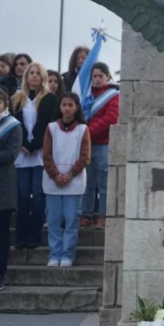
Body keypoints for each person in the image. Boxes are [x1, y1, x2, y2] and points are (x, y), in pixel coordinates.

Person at [11, 63, 58, 250]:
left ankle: (35, 236)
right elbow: (16, 123)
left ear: (43, 77)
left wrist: (36, 144)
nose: (34, 76)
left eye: (38, 73)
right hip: (22, 153)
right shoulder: (16, 98)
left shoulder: (49, 99)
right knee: (23, 195)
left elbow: (47, 123)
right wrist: (23, 144)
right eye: (31, 73)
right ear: (26, 76)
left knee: (38, 195)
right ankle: (21, 236)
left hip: (40, 152)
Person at [42, 93, 91, 267]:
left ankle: (67, 254)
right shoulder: (51, 128)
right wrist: (56, 174)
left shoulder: (83, 129)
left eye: (71, 105)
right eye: (64, 104)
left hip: (74, 181)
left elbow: (85, 157)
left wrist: (70, 174)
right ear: (60, 107)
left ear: (76, 108)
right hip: (52, 181)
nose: (67, 108)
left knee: (71, 220)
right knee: (54, 220)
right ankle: (54, 254)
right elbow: (46, 155)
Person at [0, 87, 23, 291]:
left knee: (1, 235)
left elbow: (10, 155)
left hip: (2, 189)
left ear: (5, 105)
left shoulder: (13, 127)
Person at [81, 63, 119, 229]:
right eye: (94, 76)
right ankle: (86, 214)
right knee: (87, 182)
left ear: (107, 76)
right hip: (87, 144)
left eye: (100, 76)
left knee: (103, 182)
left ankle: (102, 215)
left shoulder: (113, 95)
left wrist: (88, 131)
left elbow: (111, 117)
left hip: (103, 143)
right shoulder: (85, 93)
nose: (96, 79)